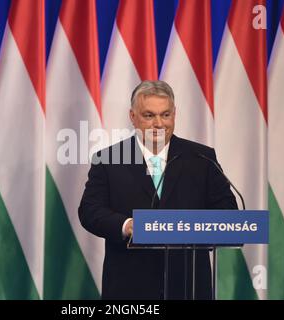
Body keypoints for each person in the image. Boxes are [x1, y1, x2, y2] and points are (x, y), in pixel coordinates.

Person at [78, 80, 237, 300]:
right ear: (133, 117)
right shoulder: (109, 159)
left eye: (165, 114)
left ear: (175, 114)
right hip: (130, 286)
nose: (159, 124)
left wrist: (193, 225)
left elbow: (227, 210)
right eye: (149, 115)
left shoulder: (201, 158)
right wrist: (127, 225)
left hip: (189, 286)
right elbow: (90, 211)